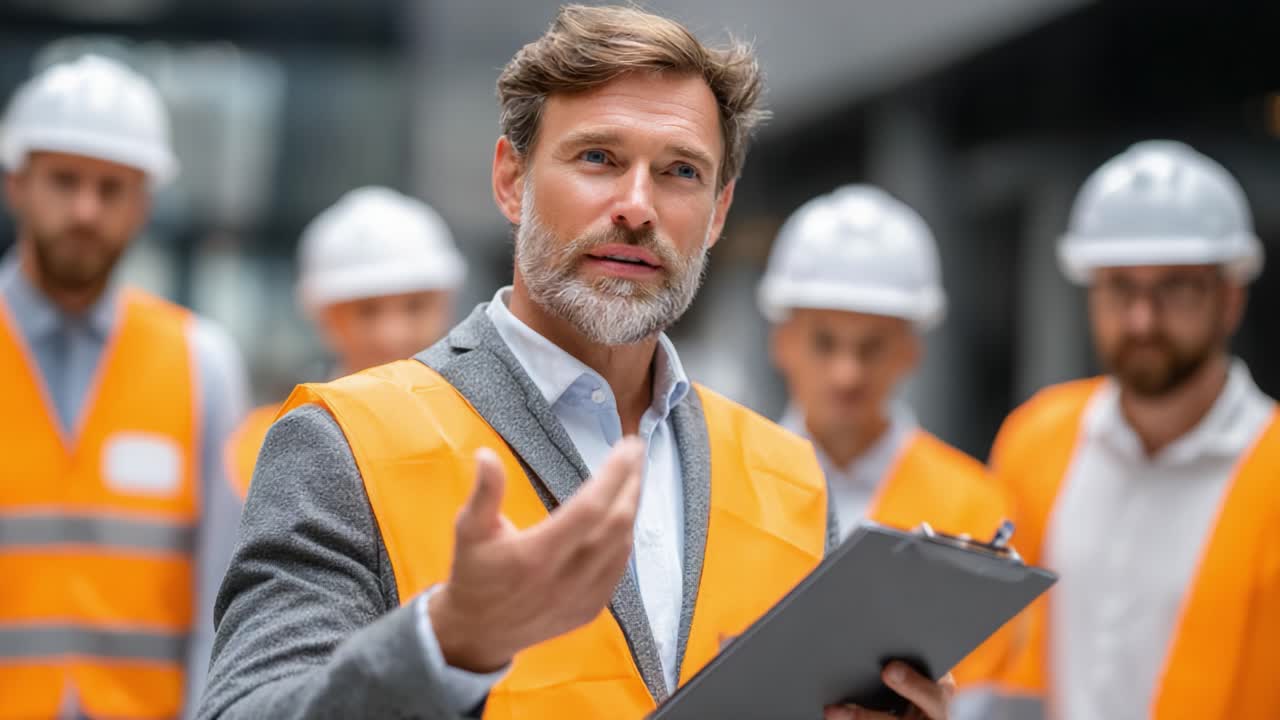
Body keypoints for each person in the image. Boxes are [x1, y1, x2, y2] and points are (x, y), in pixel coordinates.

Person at [198, 6, 953, 720]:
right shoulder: (345, 443)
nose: (636, 205)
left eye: (680, 172)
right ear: (511, 180)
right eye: (598, 157)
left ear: (720, 211)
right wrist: (447, 645)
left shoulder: (788, 476)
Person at [990, 140, 1280, 719]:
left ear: (1229, 299)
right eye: (1121, 287)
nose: (1142, 319)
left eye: (1174, 287)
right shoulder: (1034, 441)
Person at [0, 55, 248, 718]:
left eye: (112, 188)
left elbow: (223, 587)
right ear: (15, 184)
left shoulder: (203, 363)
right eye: (64, 181)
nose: (85, 209)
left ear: (143, 204)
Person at [758, 184, 1015, 692]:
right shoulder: (723, 483)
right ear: (782, 343)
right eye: (825, 342)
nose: (847, 374)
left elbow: (986, 686)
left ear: (909, 352)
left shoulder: (975, 506)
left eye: (871, 347)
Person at [224, 186, 465, 496]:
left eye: (415, 306)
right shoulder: (264, 444)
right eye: (367, 311)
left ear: (447, 306)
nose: (391, 334)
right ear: (325, 318)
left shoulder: (480, 436)